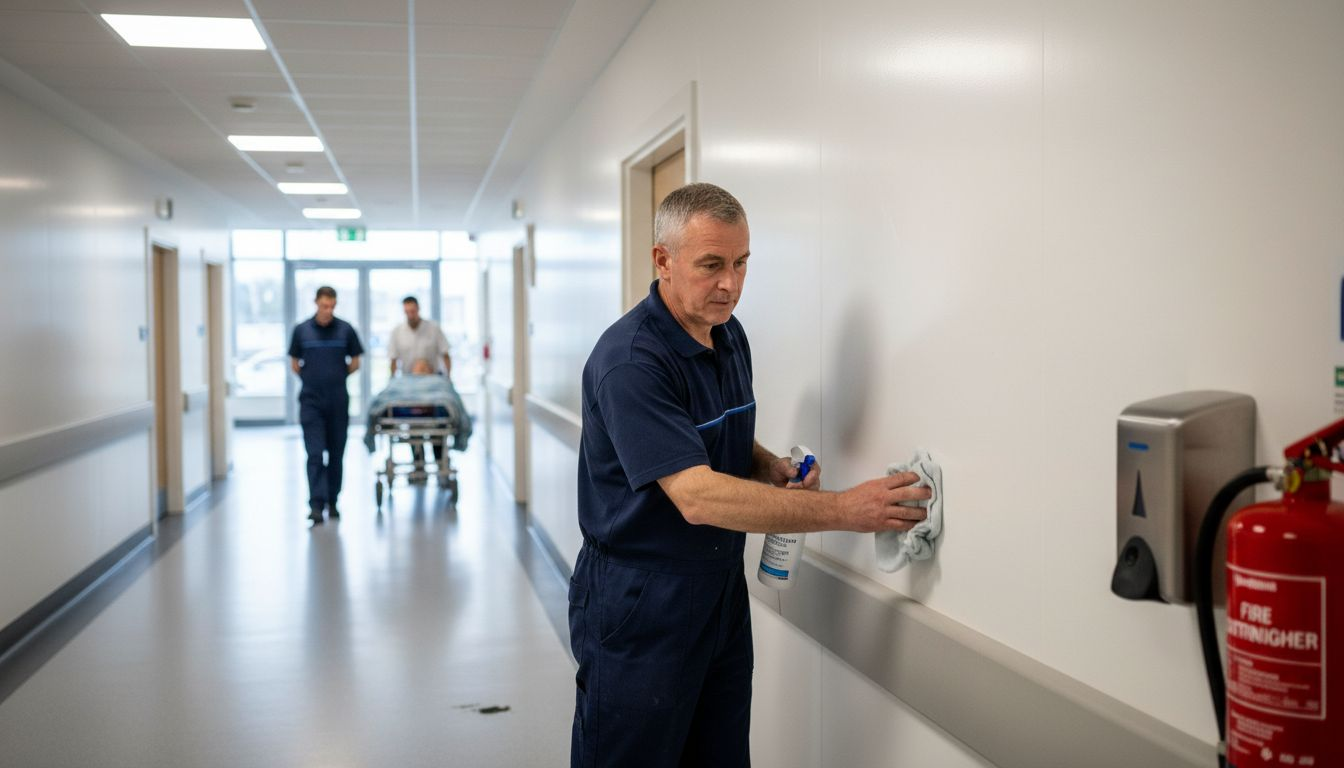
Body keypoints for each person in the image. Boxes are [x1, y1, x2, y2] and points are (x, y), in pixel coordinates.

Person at [571, 183, 930, 767]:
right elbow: (696, 495)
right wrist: (847, 510)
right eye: (712, 265)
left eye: (741, 264)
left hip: (717, 589)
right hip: (640, 599)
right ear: (663, 260)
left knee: (720, 754)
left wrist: (768, 466)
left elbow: (708, 438)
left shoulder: (727, 335)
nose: (731, 285)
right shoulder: (631, 362)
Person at [289, 286, 363, 525]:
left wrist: (336, 376)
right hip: (311, 401)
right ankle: (316, 504)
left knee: (336, 453)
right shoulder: (302, 331)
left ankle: (333, 501)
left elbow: (355, 362)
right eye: (324, 306)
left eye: (331, 306)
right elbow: (295, 364)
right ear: (316, 303)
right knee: (314, 453)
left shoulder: (345, 329)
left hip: (338, 400)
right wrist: (315, 380)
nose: (328, 310)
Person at [387, 295, 453, 480]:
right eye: (407, 312)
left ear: (418, 310)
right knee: (413, 429)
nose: (410, 315)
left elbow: (446, 354)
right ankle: (419, 465)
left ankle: (440, 464)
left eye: (413, 311)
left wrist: (448, 379)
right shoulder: (398, 332)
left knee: (437, 428)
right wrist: (393, 382)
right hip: (408, 384)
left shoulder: (433, 329)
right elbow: (393, 360)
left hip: (433, 383)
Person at [363, 357, 473, 456]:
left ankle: (434, 459)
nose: (422, 368)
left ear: (431, 371)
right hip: (411, 407)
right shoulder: (401, 381)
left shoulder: (439, 382)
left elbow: (452, 399)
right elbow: (384, 397)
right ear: (412, 370)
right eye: (419, 366)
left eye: (425, 367)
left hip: (435, 408)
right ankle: (419, 462)